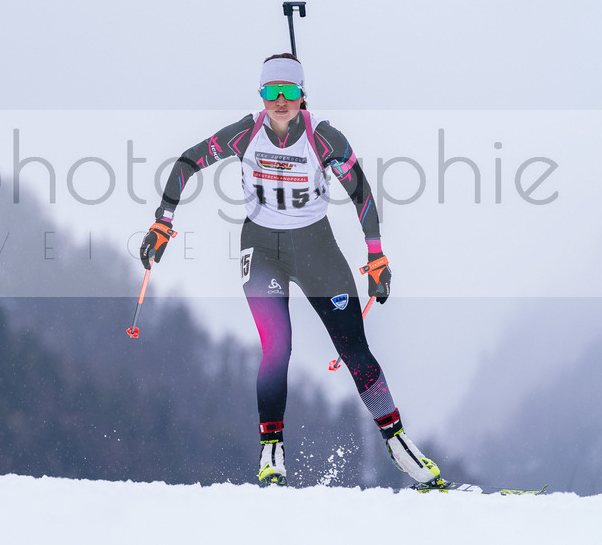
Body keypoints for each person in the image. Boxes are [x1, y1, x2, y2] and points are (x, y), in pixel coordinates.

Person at [138, 52, 441, 487]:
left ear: (302, 95)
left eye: (290, 91)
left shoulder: (324, 138)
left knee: (354, 349)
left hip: (317, 248)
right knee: (277, 347)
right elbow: (188, 161)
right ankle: (272, 451)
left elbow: (362, 195)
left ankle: (397, 442)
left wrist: (376, 256)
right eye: (271, 92)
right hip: (261, 249)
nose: (280, 101)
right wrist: (162, 221)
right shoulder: (246, 134)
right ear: (261, 96)